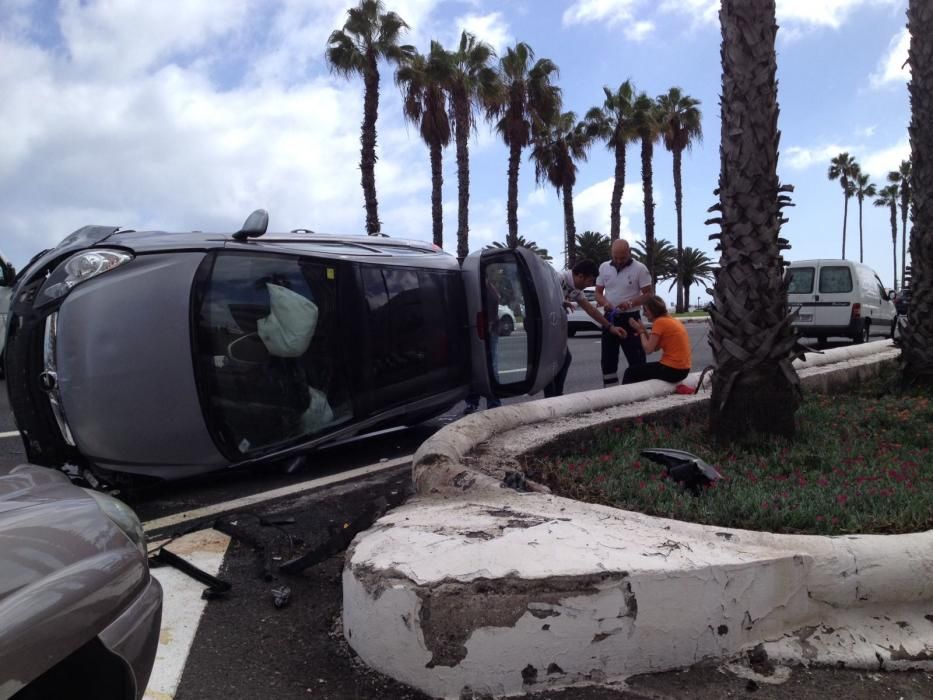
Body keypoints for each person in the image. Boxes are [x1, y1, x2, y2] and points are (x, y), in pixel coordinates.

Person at [544, 259, 626, 398]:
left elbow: (591, 310)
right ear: (580, 276)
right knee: (554, 361)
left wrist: (609, 326)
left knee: (563, 359)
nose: (590, 284)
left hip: (553, 327)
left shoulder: (575, 290)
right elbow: (542, 294)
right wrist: (560, 302)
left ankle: (556, 395)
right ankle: (553, 397)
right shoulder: (559, 279)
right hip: (543, 327)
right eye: (590, 280)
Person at [595, 239, 653, 387]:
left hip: (631, 319)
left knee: (636, 358)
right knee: (608, 359)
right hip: (610, 318)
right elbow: (598, 293)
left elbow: (648, 294)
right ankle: (610, 391)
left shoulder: (640, 269)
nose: (619, 261)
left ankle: (639, 390)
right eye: (615, 257)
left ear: (629, 253)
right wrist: (605, 303)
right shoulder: (604, 267)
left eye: (622, 257)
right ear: (611, 253)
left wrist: (630, 303)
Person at [623, 295, 692, 385]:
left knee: (630, 372)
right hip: (683, 370)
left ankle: (626, 398)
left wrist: (640, 331)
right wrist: (643, 329)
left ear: (653, 310)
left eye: (645, 310)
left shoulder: (660, 322)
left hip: (672, 370)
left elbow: (648, 350)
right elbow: (656, 347)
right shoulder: (671, 320)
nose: (643, 314)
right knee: (641, 371)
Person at [463, 277, 504, 414]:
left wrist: (489, 325)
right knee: (476, 367)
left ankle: (492, 403)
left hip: (488, 331)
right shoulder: (475, 286)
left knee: (490, 366)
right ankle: (476, 402)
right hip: (477, 329)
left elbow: (495, 300)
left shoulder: (487, 287)